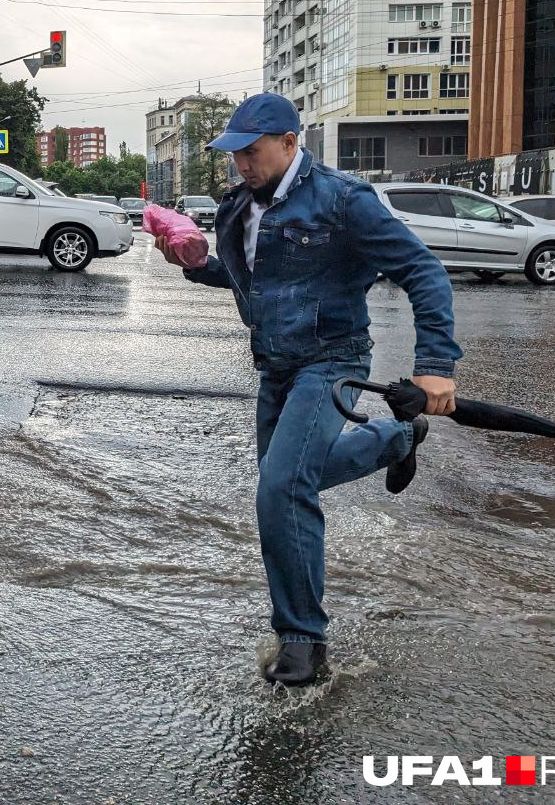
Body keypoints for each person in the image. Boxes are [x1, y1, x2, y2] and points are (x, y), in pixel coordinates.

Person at [155, 93, 461, 688]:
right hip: (275, 365)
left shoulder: (343, 199)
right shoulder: (238, 206)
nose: (241, 165)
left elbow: (423, 271)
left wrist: (436, 365)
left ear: (291, 143)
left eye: (252, 151)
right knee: (287, 486)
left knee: (280, 488)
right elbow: (253, 280)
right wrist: (194, 263)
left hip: (333, 361)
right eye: (234, 154)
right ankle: (394, 439)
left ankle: (302, 640)